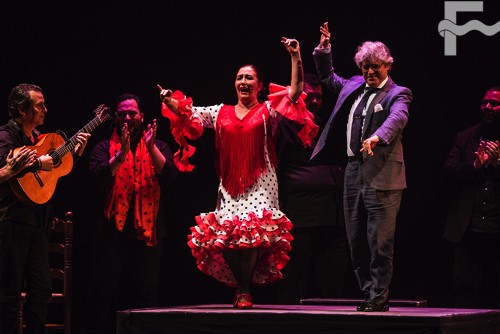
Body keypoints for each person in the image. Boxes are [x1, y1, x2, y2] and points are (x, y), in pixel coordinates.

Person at [158, 37, 317, 309]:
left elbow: (295, 91)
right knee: (229, 238)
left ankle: (243, 290)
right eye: (239, 77)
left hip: (261, 180)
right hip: (230, 183)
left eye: (249, 78)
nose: (243, 82)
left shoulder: (268, 110)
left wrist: (295, 56)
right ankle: (242, 286)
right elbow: (189, 114)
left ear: (259, 85)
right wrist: (169, 100)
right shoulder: (220, 112)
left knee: (253, 233)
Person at [309, 22, 412, 312]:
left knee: (379, 242)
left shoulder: (399, 93)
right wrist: (324, 49)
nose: (369, 72)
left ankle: (379, 296)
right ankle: (369, 293)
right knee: (355, 241)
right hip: (353, 172)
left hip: (383, 175)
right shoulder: (354, 86)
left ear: (387, 65)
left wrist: (378, 137)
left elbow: (398, 118)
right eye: (365, 66)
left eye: (375, 67)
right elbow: (327, 77)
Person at [82, 93, 177, 334]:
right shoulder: (104, 147)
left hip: (148, 233)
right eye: (122, 113)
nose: (127, 117)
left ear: (141, 117)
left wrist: (151, 147)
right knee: (102, 292)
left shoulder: (159, 145)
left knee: (146, 294)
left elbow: (170, 176)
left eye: (132, 113)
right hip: (112, 233)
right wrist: (122, 153)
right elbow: (97, 178)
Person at [0, 83, 90, 334]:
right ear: (21, 109)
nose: (45, 110)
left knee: (41, 290)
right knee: (9, 294)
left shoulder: (38, 139)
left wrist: (75, 153)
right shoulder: (6, 137)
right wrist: (19, 168)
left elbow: (50, 175)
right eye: (39, 105)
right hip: (12, 225)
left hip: (38, 224)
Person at [276, 73, 348, 304]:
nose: (315, 101)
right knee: (294, 283)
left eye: (319, 97)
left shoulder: (327, 124)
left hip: (334, 218)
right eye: (310, 96)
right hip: (301, 217)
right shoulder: (284, 125)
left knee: (333, 285)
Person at [443, 86, 500, 309]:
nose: (487, 107)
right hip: (468, 230)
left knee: (495, 291)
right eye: (485, 102)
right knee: (465, 290)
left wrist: (497, 165)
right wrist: (475, 166)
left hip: (496, 231)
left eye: (494, 104)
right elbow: (448, 170)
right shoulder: (466, 137)